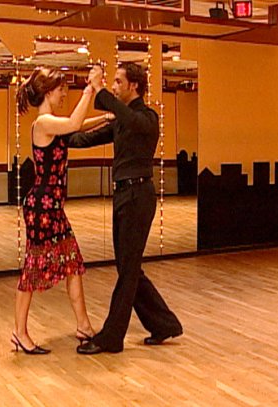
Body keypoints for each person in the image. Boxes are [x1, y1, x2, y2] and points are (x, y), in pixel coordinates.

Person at [68, 63, 183, 354]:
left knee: (128, 270)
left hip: (138, 196)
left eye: (118, 82)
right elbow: (85, 138)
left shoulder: (147, 118)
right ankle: (164, 324)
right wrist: (57, 135)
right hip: (123, 196)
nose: (114, 86)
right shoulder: (122, 120)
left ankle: (112, 336)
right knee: (128, 267)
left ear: (134, 86)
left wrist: (99, 88)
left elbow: (129, 118)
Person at [12, 66, 109, 355]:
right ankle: (20, 332)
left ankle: (83, 325)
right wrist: (90, 89)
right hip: (42, 207)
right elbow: (74, 123)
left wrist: (105, 117)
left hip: (52, 206)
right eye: (60, 89)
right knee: (33, 270)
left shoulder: (53, 123)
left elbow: (75, 124)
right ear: (47, 92)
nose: (64, 94)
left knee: (73, 263)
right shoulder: (43, 123)